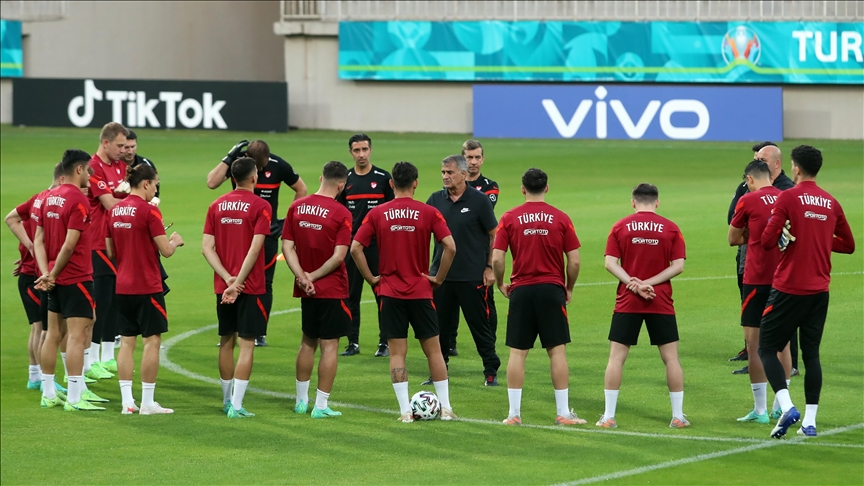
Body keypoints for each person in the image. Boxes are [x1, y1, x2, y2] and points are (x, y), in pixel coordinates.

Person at [759, 145, 855, 439]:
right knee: (811, 355)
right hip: (819, 291)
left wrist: (785, 235)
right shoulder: (830, 202)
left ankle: (787, 406)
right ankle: (809, 423)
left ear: (796, 169)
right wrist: (821, 239)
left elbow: (766, 241)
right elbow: (848, 245)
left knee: (766, 348)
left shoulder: (788, 196)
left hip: (788, 288)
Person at [351, 161, 458, 422]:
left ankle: (404, 412)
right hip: (421, 291)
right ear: (416, 183)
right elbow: (450, 247)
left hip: (390, 292)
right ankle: (445, 409)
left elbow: (355, 248)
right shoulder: (429, 212)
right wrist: (438, 278)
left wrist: (372, 279)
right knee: (433, 350)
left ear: (391, 184)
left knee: (397, 353)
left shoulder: (378, 213)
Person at [492, 168, 587, 426]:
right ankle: (563, 413)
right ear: (547, 188)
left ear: (523, 189)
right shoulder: (561, 218)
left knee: (517, 353)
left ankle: (513, 414)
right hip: (551, 289)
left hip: (521, 290)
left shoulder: (510, 217)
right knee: (557, 352)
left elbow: (497, 257)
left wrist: (501, 282)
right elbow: (575, 260)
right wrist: (569, 287)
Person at [598, 183, 688, 429]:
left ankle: (608, 416)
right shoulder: (670, 228)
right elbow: (678, 265)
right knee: (671, 359)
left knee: (616, 359)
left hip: (628, 299)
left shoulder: (620, 226)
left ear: (633, 202)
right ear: (657, 202)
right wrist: (649, 283)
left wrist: (634, 284)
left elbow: (610, 263)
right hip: (660, 300)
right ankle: (678, 417)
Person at [207, 140, 307, 347]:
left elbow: (301, 189)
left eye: (263, 167)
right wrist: (229, 155)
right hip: (238, 232)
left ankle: (258, 331)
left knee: (263, 283)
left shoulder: (279, 165)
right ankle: (231, 330)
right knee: (232, 276)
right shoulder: (239, 164)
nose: (260, 171)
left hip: (266, 236)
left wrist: (285, 223)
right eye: (258, 168)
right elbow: (212, 183)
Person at [34, 149, 108, 411]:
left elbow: (38, 239)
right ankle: (76, 397)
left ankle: (48, 392)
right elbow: (69, 244)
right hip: (75, 276)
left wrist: (46, 273)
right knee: (78, 336)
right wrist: (52, 274)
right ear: (78, 170)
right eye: (88, 170)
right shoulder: (78, 200)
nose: (90, 174)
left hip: (54, 277)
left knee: (53, 334)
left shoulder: (49, 197)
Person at [106, 164, 183, 415]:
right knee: (152, 341)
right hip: (148, 286)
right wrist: (175, 240)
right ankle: (148, 403)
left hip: (123, 285)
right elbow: (167, 251)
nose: (156, 187)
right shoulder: (150, 212)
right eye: (156, 182)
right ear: (146, 183)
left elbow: (110, 251)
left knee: (127, 343)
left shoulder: (114, 210)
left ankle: (127, 402)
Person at [282, 161, 352, 418]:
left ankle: (301, 402)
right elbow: (338, 257)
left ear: (320, 177)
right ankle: (320, 406)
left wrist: (302, 277)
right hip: (331, 288)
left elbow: (287, 247)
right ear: (342, 185)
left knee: (307, 342)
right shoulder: (342, 213)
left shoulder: (296, 206)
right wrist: (313, 276)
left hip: (305, 289)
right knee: (330, 345)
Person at [203, 157, 272, 418]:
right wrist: (240, 282)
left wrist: (227, 279)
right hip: (250, 287)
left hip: (224, 286)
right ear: (254, 177)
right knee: (246, 344)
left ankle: (225, 400)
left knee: (225, 341)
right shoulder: (261, 206)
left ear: (232, 177)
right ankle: (238, 405)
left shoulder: (216, 205)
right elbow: (256, 248)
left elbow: (206, 248)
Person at [425, 155, 501, 387]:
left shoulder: (479, 201)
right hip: (442, 277)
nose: (445, 177)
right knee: (440, 328)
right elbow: (422, 234)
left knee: (480, 327)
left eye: (449, 172)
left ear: (463, 174)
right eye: (443, 172)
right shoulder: (435, 200)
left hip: (472, 276)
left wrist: (489, 267)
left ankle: (490, 370)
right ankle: (439, 371)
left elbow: (493, 234)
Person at [728, 160, 791, 424]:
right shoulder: (788, 198)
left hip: (756, 280)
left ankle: (761, 411)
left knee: (754, 346)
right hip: (784, 281)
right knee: (783, 343)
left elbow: (733, 238)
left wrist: (752, 236)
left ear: (750, 179)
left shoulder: (747, 200)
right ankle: (781, 405)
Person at [5, 163, 65, 392]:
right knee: (45, 330)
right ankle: (41, 378)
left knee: (37, 328)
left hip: (29, 273)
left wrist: (28, 247)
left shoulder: (37, 199)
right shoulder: (53, 203)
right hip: (36, 275)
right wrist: (31, 247)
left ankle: (34, 377)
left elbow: (11, 218)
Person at [336, 134, 394, 357]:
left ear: (371, 150)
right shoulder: (345, 179)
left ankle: (384, 342)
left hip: (377, 247)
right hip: (352, 247)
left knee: (382, 293)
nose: (361, 154)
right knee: (351, 295)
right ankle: (352, 342)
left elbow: (391, 212)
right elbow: (340, 215)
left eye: (364, 149)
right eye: (357, 150)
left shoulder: (382, 178)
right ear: (350, 152)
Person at [86, 121, 131, 378]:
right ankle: (91, 361)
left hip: (117, 241)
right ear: (106, 143)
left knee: (115, 301)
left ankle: (107, 356)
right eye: (119, 145)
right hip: (98, 242)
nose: (123, 150)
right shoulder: (94, 167)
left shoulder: (121, 167)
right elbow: (110, 203)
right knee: (101, 303)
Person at [450, 139, 500, 357]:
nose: (473, 162)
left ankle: (490, 341)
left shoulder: (490, 187)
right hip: (453, 255)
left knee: (486, 301)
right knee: (448, 304)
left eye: (477, 157)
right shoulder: (450, 183)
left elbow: (482, 213)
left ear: (483, 159)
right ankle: (449, 343)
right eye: (469, 157)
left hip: (478, 254)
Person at [122, 130, 170, 297]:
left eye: (133, 146)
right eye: (126, 147)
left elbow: (155, 195)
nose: (129, 151)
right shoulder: (116, 164)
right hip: (128, 219)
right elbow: (168, 251)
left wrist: (150, 214)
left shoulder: (146, 164)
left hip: (141, 216)